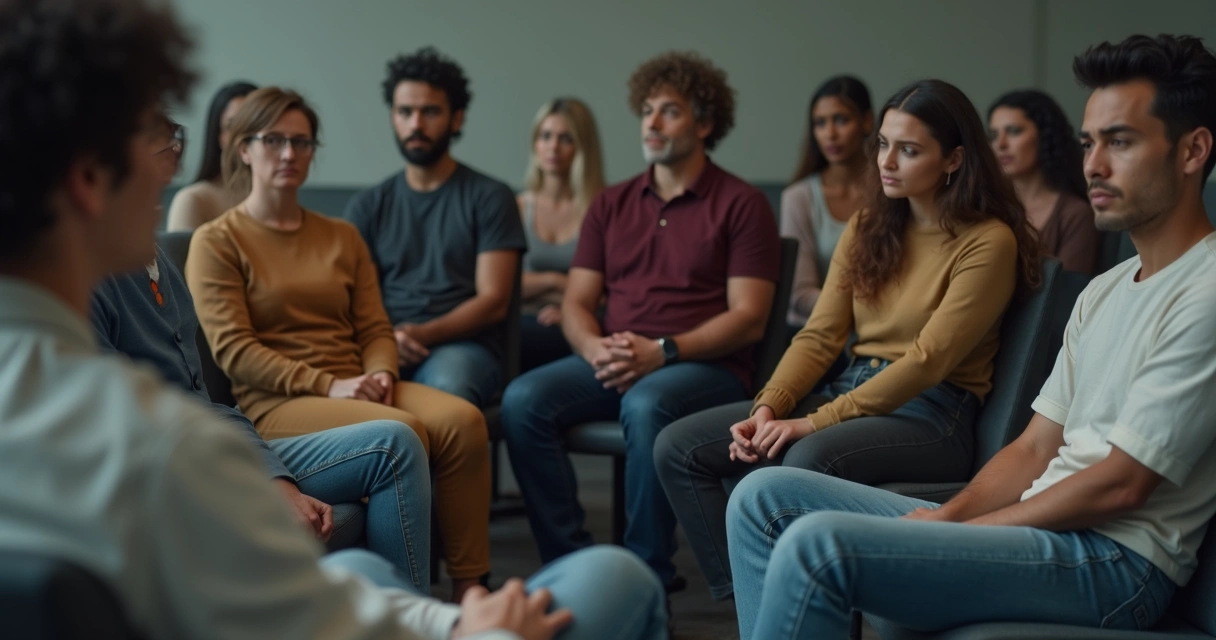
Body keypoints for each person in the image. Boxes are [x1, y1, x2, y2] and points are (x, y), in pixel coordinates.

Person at [0, 1, 669, 639]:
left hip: (328, 446)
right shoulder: (168, 452)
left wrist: (373, 370)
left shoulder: (97, 393)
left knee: (359, 567)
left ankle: (460, 585)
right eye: (154, 144)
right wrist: (488, 632)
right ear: (89, 178)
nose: (170, 171)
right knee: (620, 575)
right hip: (289, 426)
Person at [728, 34, 1216, 639]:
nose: (1093, 164)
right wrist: (950, 515)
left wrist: (957, 529)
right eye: (1090, 143)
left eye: (1120, 142)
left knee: (816, 546)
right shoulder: (1105, 290)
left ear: (1193, 151)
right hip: (1046, 528)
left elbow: (1122, 483)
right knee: (761, 498)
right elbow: (1036, 449)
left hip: (1114, 562)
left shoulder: (1207, 290)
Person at [655, 77, 1042, 601]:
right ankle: (758, 603)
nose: (886, 161)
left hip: (933, 414)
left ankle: (799, 611)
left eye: (908, 150)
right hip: (852, 391)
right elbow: (819, 336)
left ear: (953, 159)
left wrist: (813, 421)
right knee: (678, 448)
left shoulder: (987, 240)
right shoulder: (868, 224)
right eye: (883, 144)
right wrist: (770, 406)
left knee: (804, 461)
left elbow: (928, 361)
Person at [92, 116, 432, 588]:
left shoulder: (161, 263)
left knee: (395, 445)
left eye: (171, 145)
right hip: (177, 471)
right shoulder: (86, 272)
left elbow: (208, 403)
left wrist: (276, 478)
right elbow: (120, 427)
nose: (169, 162)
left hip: (222, 445)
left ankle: (410, 618)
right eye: (156, 149)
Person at [185, 87, 491, 602]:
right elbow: (235, 350)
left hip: (356, 383)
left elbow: (374, 326)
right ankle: (406, 608)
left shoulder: (342, 235)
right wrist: (331, 384)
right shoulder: (216, 240)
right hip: (280, 401)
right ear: (243, 148)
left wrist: (382, 374)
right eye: (274, 140)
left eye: (302, 143)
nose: (289, 154)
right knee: (405, 431)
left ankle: (470, 593)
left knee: (465, 422)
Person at [500, 51, 781, 592]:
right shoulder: (610, 203)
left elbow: (749, 319)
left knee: (646, 403)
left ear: (704, 123)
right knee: (522, 400)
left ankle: (645, 578)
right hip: (619, 356)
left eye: (668, 112)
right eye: (647, 110)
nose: (650, 123)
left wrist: (663, 351)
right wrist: (593, 349)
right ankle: (580, 572)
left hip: (703, 365)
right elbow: (579, 302)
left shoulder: (742, 204)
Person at [345, 47, 526, 408]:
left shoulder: (490, 197)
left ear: (456, 119)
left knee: (445, 391)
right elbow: (357, 298)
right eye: (405, 112)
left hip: (462, 347)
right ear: (393, 118)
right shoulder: (369, 205)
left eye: (430, 111)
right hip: (382, 343)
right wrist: (387, 339)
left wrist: (419, 333)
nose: (416, 125)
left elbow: (493, 302)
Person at [518, 97, 605, 372]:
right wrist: (556, 282)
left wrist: (571, 312)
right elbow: (505, 287)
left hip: (585, 322)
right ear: (535, 143)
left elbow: (612, 291)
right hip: (525, 322)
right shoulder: (517, 207)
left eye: (566, 138)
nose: (553, 147)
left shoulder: (601, 209)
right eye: (545, 136)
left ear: (583, 147)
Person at [781, 75, 873, 330]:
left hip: (883, 332)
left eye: (841, 120)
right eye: (820, 123)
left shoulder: (892, 193)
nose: (830, 134)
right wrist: (866, 314)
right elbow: (799, 294)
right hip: (814, 331)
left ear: (867, 121)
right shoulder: (798, 197)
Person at [990, 89, 1101, 274]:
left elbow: (1066, 292)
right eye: (993, 135)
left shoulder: (1074, 214)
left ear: (1045, 137)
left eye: (1014, 131)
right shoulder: (985, 206)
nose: (1000, 144)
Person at [165, 80, 257, 230]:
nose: (245, 136)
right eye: (233, 126)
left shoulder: (281, 200)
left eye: (255, 125)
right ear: (218, 135)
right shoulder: (193, 200)